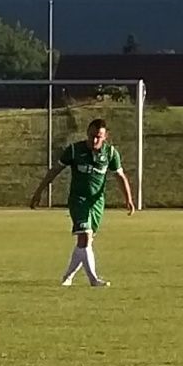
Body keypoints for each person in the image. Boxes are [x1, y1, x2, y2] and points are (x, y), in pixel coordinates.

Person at [30, 118, 135, 287]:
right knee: (85, 236)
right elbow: (55, 170)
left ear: (105, 137)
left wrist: (128, 199)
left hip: (97, 203)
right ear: (87, 133)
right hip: (78, 200)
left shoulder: (110, 153)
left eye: (98, 137)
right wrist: (39, 192)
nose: (94, 140)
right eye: (92, 136)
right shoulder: (74, 151)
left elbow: (120, 176)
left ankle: (68, 277)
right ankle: (94, 280)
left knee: (84, 242)